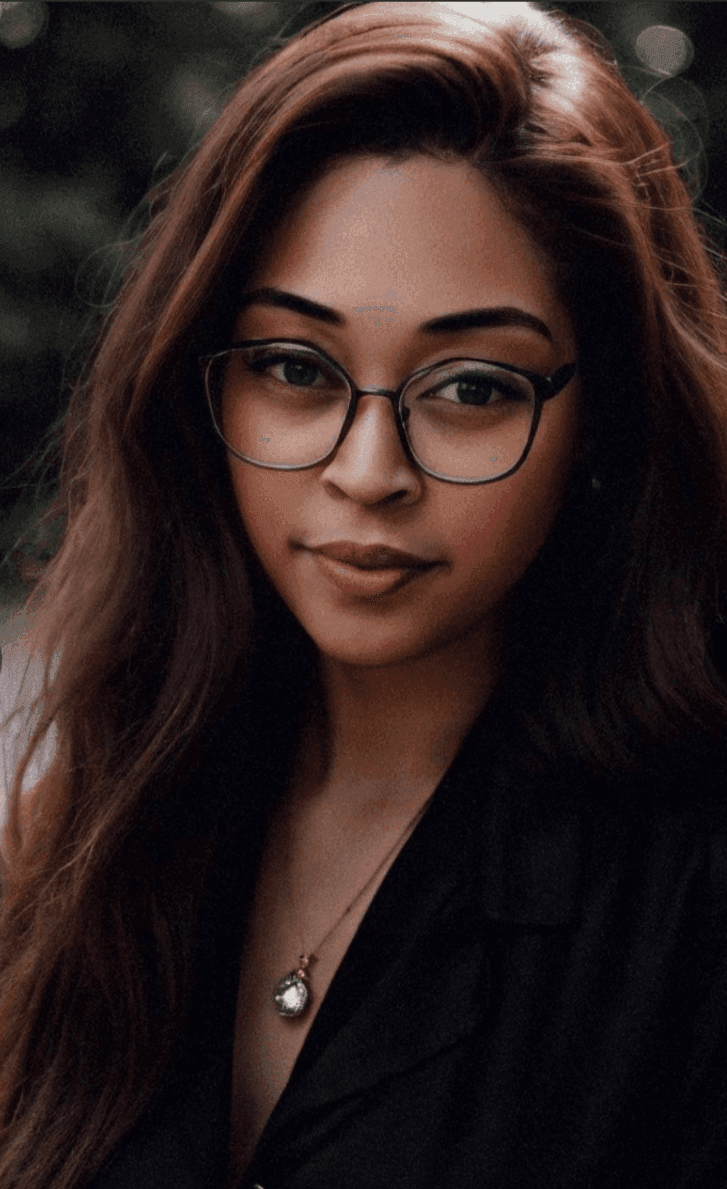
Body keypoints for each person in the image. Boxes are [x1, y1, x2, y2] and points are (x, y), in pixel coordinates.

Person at [2, 2, 727, 1186]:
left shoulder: (687, 896)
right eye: (295, 368)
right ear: (201, 388)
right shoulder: (94, 815)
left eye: (472, 388)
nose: (366, 472)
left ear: (605, 421)